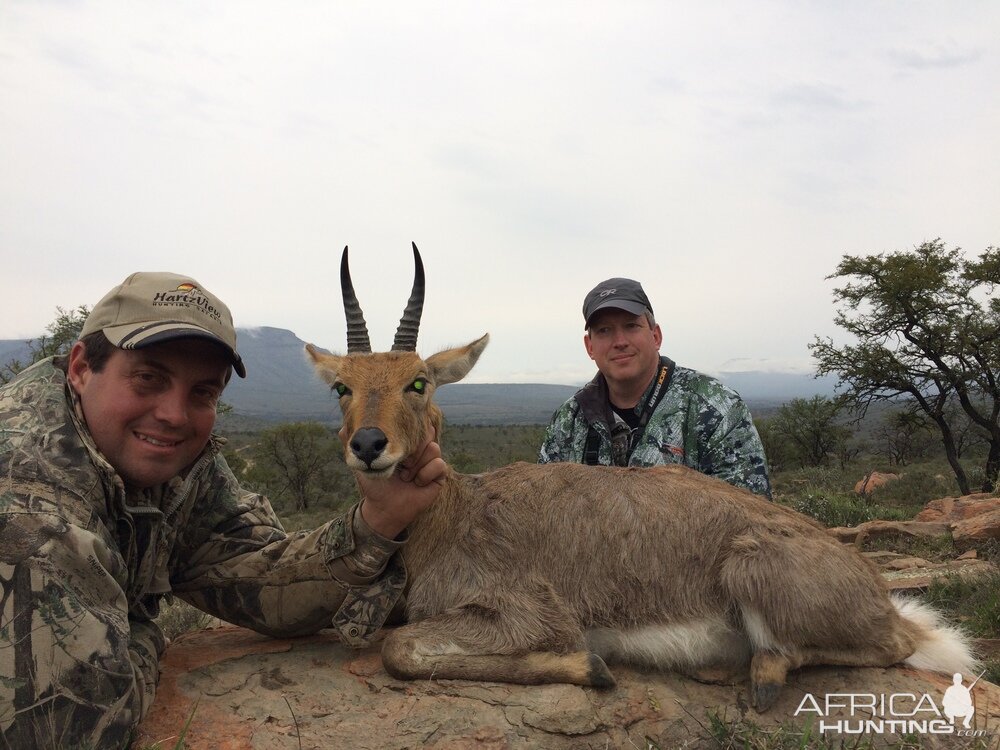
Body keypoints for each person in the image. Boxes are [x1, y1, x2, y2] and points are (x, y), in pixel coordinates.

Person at [0, 272, 446, 748]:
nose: (174, 415)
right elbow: (67, 730)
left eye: (203, 392)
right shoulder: (26, 493)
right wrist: (144, 629)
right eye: (149, 377)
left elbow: (264, 584)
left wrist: (378, 520)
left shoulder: (178, 467)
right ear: (82, 368)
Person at [539, 277, 772, 498]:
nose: (620, 341)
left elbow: (751, 521)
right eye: (604, 331)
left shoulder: (717, 408)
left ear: (656, 336)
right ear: (590, 346)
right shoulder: (567, 421)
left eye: (631, 326)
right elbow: (544, 511)